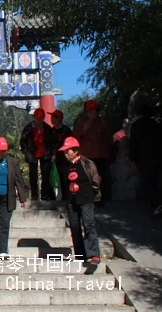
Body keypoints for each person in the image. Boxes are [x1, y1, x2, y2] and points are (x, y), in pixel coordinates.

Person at [57, 137, 102, 265]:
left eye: (68, 151)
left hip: (86, 198)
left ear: (76, 151)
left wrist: (95, 195)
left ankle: (93, 254)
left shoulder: (87, 163)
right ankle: (80, 255)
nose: (66, 154)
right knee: (75, 227)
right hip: (71, 200)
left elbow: (95, 180)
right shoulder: (65, 166)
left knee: (88, 224)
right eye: (64, 152)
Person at [129, 104, 162, 217]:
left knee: (146, 183)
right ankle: (155, 207)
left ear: (139, 114)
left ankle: (159, 203)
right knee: (153, 182)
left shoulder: (137, 125)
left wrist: (133, 159)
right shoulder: (157, 125)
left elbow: (134, 143)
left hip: (145, 158)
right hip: (159, 157)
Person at [72, 100, 112, 204]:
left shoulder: (102, 122)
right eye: (90, 112)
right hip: (87, 155)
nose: (92, 114)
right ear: (86, 112)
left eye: (94, 112)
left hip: (101, 154)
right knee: (87, 176)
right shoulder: (81, 122)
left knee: (100, 176)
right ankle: (89, 197)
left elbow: (108, 137)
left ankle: (101, 197)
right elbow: (77, 137)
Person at [20, 108, 57, 201]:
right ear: (34, 117)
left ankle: (44, 195)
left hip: (45, 154)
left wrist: (53, 153)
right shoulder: (28, 128)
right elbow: (22, 141)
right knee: (33, 176)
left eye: (41, 118)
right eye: (37, 118)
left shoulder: (47, 128)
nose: (39, 121)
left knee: (45, 175)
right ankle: (34, 196)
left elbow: (53, 142)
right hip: (32, 155)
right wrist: (26, 151)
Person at [50, 110, 73, 200]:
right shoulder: (51, 131)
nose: (51, 119)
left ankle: (67, 196)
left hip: (64, 157)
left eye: (53, 118)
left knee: (65, 176)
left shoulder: (66, 131)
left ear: (59, 119)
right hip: (54, 157)